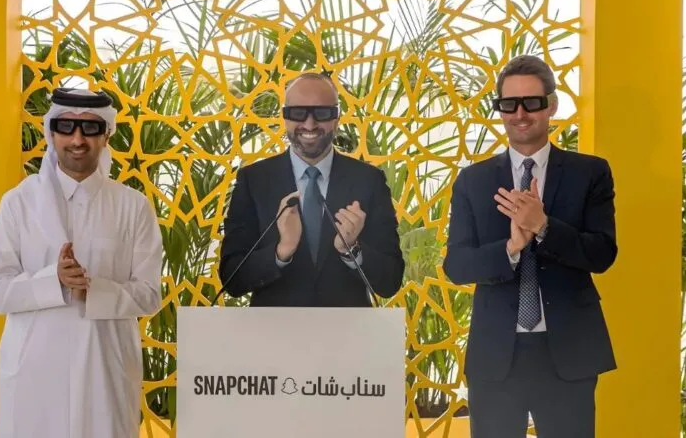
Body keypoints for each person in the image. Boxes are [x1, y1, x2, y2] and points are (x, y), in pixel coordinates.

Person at [443, 55, 617, 437]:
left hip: (569, 352)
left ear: (551, 105)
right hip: (496, 354)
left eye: (532, 103)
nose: (520, 114)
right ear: (500, 110)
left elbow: (603, 254)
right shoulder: (472, 181)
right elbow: (456, 266)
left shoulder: (590, 172)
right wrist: (510, 246)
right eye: (509, 104)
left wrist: (544, 227)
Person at [0, 88, 163, 438]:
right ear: (52, 133)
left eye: (90, 129)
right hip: (33, 373)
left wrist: (92, 289)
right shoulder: (17, 204)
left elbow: (149, 294)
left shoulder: (133, 206)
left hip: (104, 371)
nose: (77, 139)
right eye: (66, 127)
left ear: (106, 135)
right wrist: (53, 280)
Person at [218, 72, 404, 306]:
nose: (309, 124)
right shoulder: (254, 180)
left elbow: (390, 281)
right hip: (272, 336)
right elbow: (232, 279)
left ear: (336, 118)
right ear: (285, 117)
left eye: (322, 113)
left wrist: (352, 251)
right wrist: (281, 251)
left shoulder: (369, 180)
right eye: (298, 113)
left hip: (349, 336)